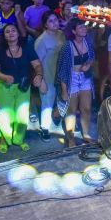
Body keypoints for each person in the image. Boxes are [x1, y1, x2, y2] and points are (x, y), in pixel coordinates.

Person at [0, 24, 43, 153]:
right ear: (4, 36)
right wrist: (3, 77)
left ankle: (19, 139)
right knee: (4, 115)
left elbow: (37, 64)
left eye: (13, 30)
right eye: (7, 32)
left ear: (18, 33)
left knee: (21, 115)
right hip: (4, 87)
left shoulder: (27, 48)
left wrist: (39, 75)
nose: (11, 33)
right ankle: (4, 138)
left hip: (23, 87)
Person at [55, 18, 95, 147]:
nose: (84, 28)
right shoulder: (68, 46)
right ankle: (71, 138)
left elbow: (92, 56)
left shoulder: (87, 41)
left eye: (84, 26)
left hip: (84, 77)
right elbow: (62, 70)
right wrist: (64, 90)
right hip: (71, 78)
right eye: (80, 27)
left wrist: (88, 65)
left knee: (86, 108)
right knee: (71, 110)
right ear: (73, 30)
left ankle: (86, 134)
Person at [34, 11, 65, 141]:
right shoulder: (41, 40)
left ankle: (58, 117)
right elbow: (36, 62)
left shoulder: (61, 34)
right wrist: (41, 80)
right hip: (48, 76)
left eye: (56, 20)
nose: (55, 23)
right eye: (51, 21)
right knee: (47, 103)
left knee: (62, 99)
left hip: (61, 75)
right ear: (45, 25)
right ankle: (45, 128)